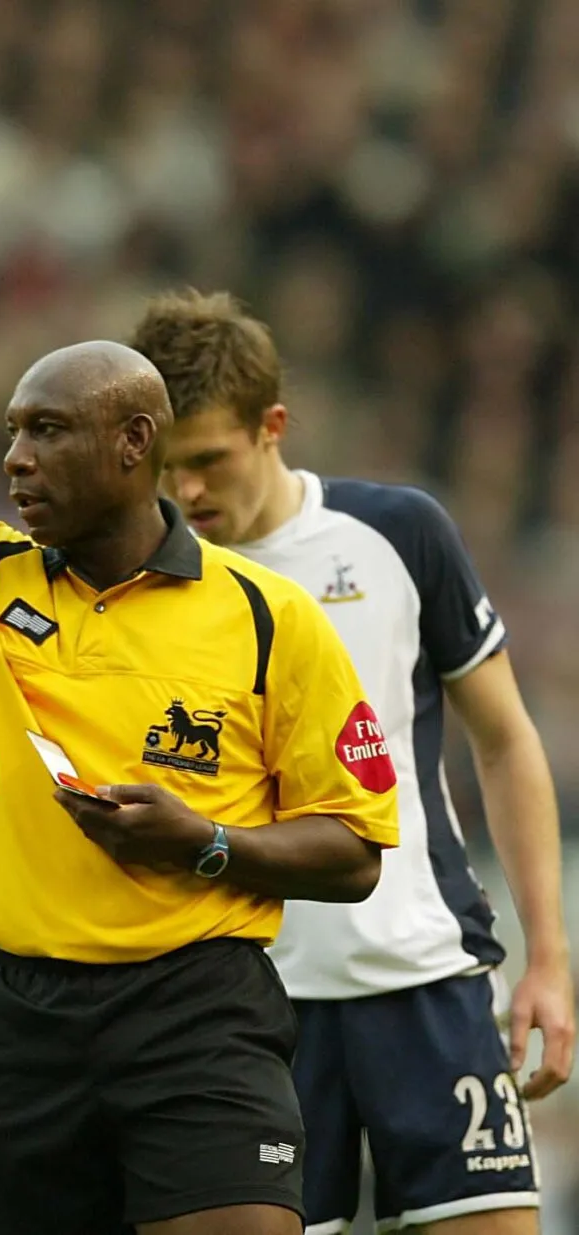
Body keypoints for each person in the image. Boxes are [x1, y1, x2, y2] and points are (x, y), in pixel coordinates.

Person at [0, 134, 400, 1235]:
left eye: (47, 432)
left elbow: (354, 851)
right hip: (22, 1018)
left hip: (198, 1008)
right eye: (12, 434)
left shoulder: (266, 615)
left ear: (134, 442)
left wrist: (203, 842)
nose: (15, 459)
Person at [133, 290, 574, 1235]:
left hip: (427, 978)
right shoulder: (145, 582)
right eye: (169, 468)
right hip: (250, 1009)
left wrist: (549, 956)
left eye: (209, 460)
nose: (189, 492)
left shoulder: (398, 533)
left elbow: (505, 738)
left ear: (272, 426)